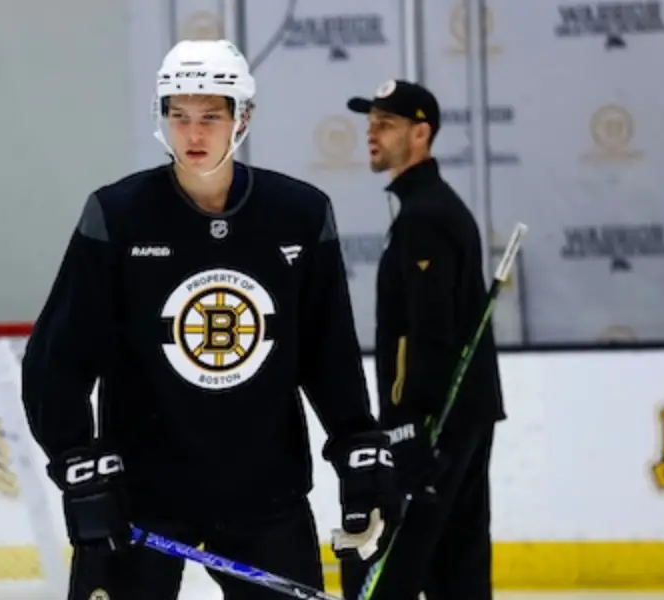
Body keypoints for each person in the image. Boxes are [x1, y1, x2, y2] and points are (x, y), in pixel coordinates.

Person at [21, 39, 395, 599]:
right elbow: (59, 356)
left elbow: (329, 354)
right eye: (179, 117)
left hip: (264, 496)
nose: (193, 135)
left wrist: (360, 451)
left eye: (210, 118)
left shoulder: (299, 214)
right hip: (140, 499)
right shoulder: (118, 216)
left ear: (242, 117)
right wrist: (79, 461)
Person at [333, 79, 506, 600]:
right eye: (370, 125)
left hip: (435, 424)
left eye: (385, 125)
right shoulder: (427, 209)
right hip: (462, 416)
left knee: (394, 569)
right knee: (458, 563)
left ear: (421, 133)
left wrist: (407, 426)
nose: (372, 135)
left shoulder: (425, 217)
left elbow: (427, 332)